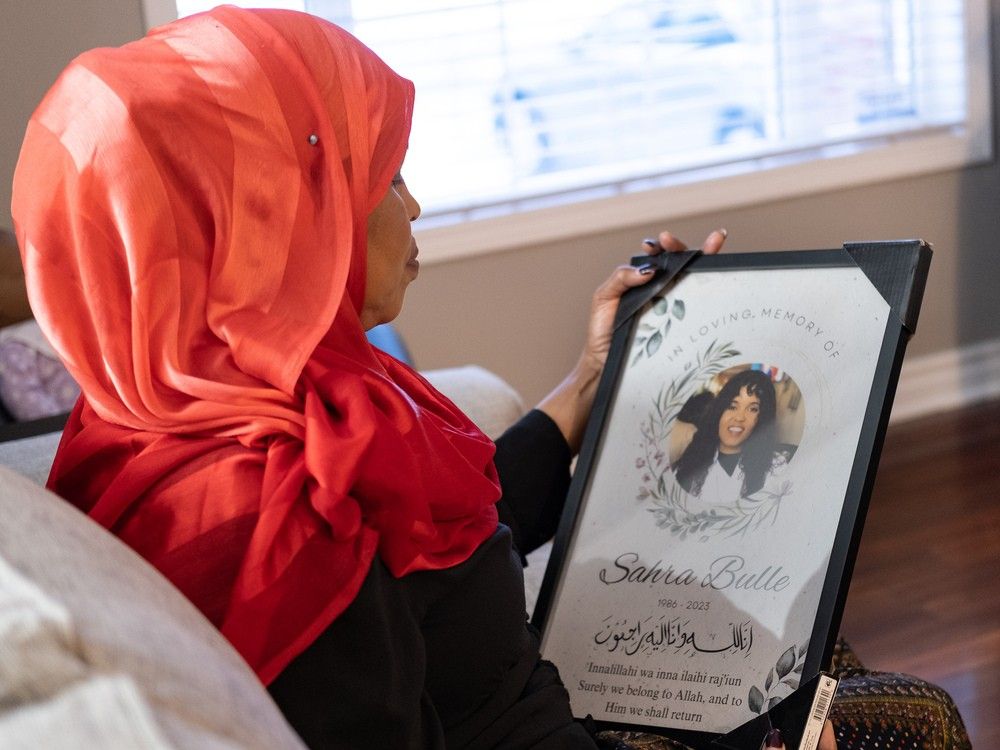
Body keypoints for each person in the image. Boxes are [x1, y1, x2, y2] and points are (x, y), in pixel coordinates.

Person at [11, 7, 832, 749]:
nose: (412, 206)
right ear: (277, 218)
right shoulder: (282, 520)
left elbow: (435, 547)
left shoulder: (210, 405)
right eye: (386, 176)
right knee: (853, 693)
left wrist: (595, 376)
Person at [673, 369, 788, 504]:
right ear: (719, 410)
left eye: (752, 409)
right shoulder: (692, 458)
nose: (739, 417)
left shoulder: (776, 467)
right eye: (732, 406)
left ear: (762, 418)